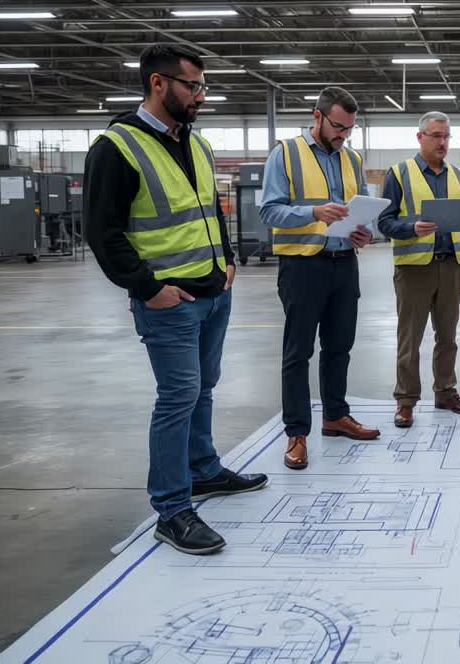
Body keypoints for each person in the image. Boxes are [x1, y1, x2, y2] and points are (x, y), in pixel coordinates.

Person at [84, 44, 266, 556]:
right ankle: (171, 508)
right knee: (177, 397)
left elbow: (210, 208)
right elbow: (102, 231)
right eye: (193, 87)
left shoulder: (198, 144)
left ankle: (203, 470)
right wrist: (147, 288)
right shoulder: (116, 147)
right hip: (170, 300)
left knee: (204, 387)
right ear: (158, 84)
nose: (201, 97)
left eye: (204, 87)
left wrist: (228, 258)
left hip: (213, 290)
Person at [259, 87, 380, 471]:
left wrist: (364, 232)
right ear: (318, 116)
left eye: (349, 129)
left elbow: (360, 209)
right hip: (302, 266)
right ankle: (297, 433)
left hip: (344, 263)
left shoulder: (352, 158)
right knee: (298, 353)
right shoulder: (286, 153)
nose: (343, 135)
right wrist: (313, 212)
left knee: (339, 347)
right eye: (338, 127)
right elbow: (269, 211)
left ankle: (335, 416)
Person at [377, 112, 460, 427]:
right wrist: (411, 227)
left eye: (447, 136)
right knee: (410, 338)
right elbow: (384, 222)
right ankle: (406, 400)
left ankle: (446, 392)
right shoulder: (399, 174)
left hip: (452, 266)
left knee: (448, 337)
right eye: (436, 136)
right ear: (419, 137)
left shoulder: (458, 175)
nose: (442, 142)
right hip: (414, 270)